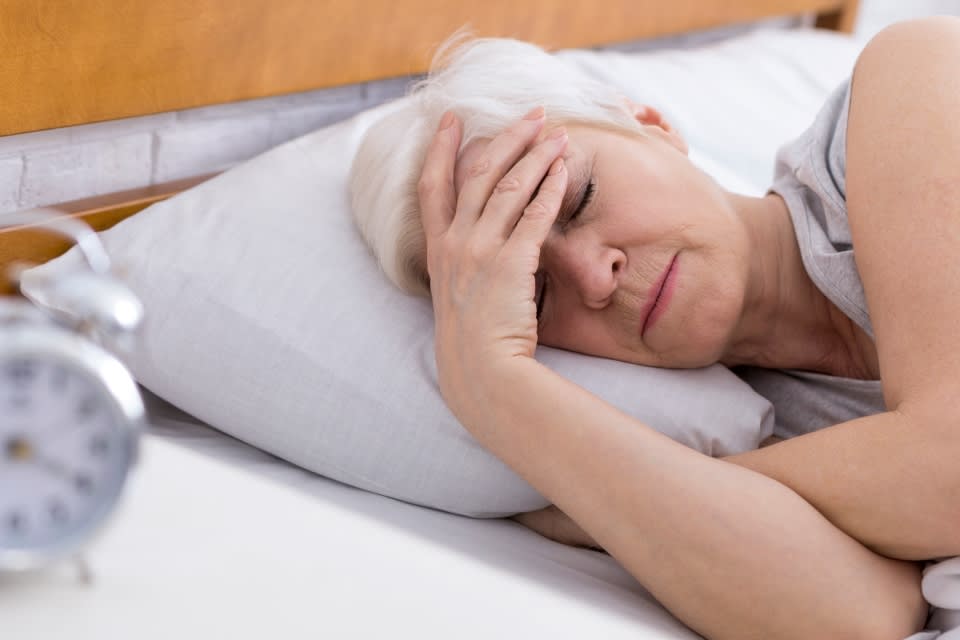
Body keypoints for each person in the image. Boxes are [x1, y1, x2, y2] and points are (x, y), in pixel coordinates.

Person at [349, 17, 960, 639]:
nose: (594, 276)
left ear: (650, 125)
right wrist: (494, 381)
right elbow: (862, 619)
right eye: (536, 291)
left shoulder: (912, 81)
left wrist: (585, 517)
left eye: (579, 196)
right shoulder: (724, 430)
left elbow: (949, 468)